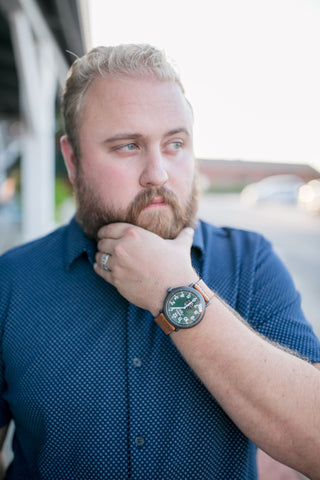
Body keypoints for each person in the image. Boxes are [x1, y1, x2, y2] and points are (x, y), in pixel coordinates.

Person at [0, 44, 319, 480]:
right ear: (72, 160)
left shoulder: (250, 262)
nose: (159, 173)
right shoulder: (11, 283)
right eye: (128, 146)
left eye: (175, 143)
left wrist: (176, 291)